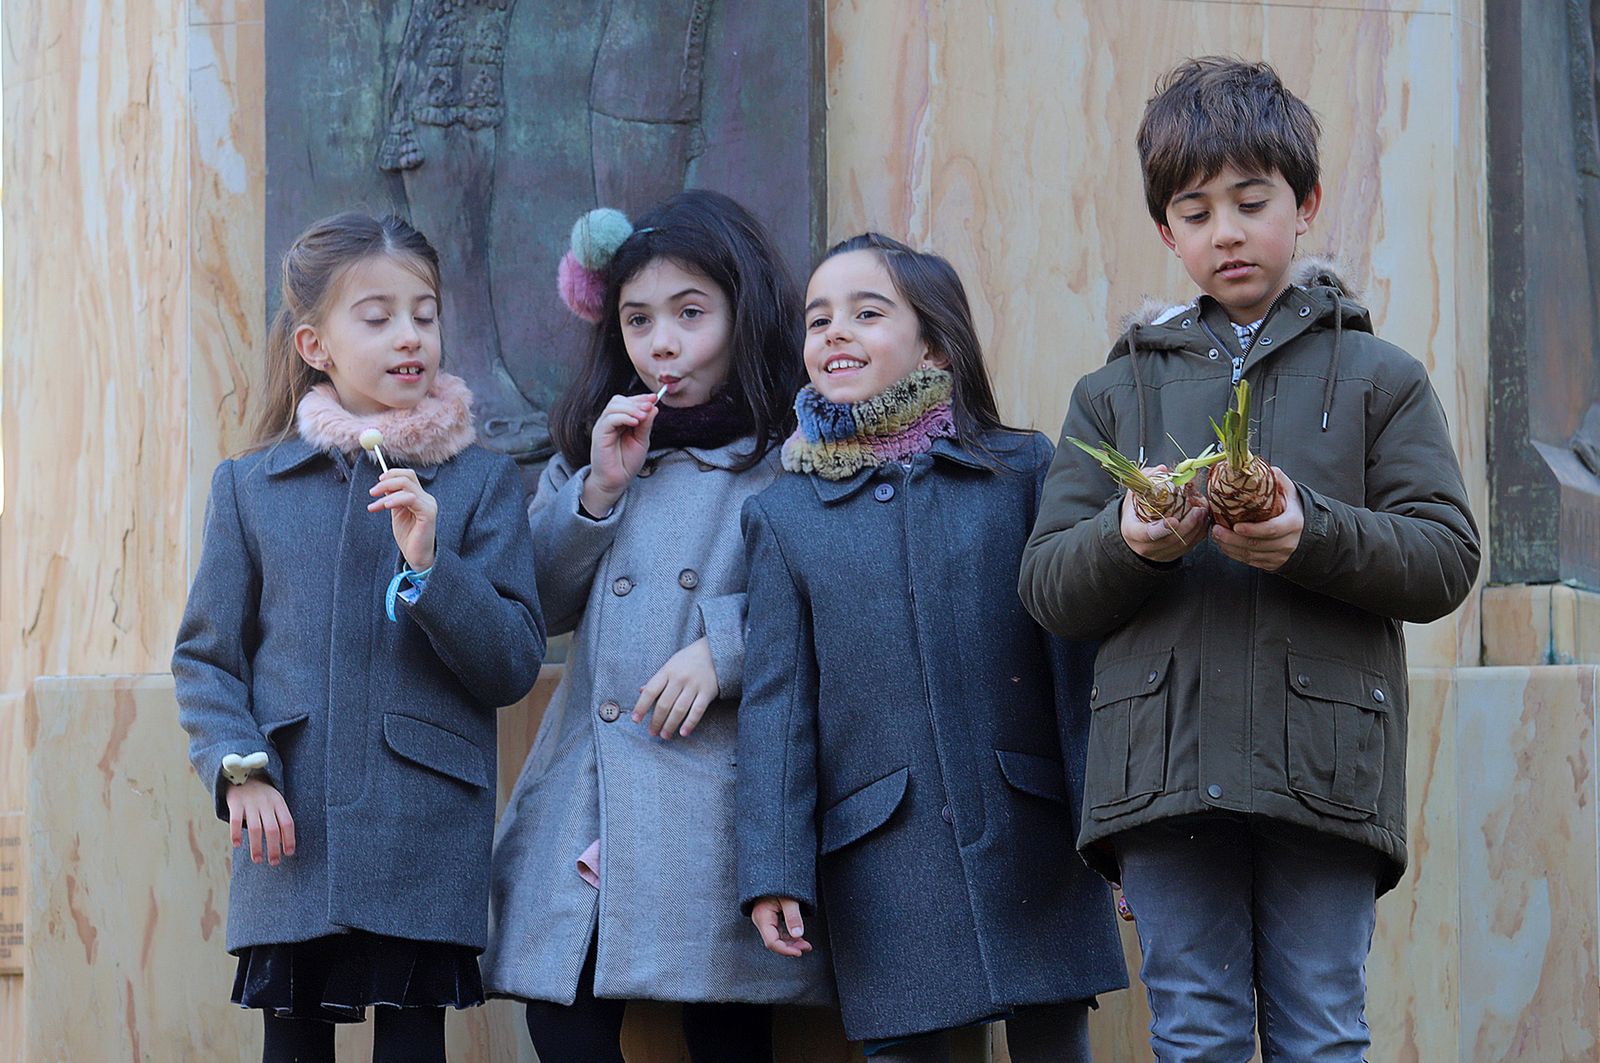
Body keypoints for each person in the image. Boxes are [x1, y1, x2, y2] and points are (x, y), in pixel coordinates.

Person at [1018, 57, 1480, 1061]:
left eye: (1250, 201)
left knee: (1321, 1030)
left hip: (1324, 766)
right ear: (1163, 231)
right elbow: (1048, 584)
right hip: (1162, 775)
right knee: (1193, 1030)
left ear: (1304, 204)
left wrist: (1309, 529)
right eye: (1193, 211)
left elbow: (1445, 556)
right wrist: (1130, 542)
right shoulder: (1111, 393)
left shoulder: (1378, 377)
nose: (1224, 232)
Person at [738, 233, 1126, 1063]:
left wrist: (1113, 825)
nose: (834, 332)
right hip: (884, 853)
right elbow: (777, 708)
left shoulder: (1019, 470)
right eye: (818, 319)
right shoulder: (785, 517)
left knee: (1054, 1040)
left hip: (1033, 830)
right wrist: (773, 865)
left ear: (937, 343)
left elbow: (1073, 666)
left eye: (867, 312)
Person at [173, 211, 546, 1063]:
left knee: (412, 1045)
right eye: (376, 317)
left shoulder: (483, 482)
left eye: (424, 312)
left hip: (422, 824)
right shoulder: (251, 487)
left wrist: (431, 564)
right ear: (316, 344)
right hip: (289, 823)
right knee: (293, 1046)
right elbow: (206, 658)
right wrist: (240, 771)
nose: (409, 335)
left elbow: (513, 661)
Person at [483, 190, 831, 1063]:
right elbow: (538, 602)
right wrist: (597, 489)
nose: (662, 342)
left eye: (689, 313)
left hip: (714, 790)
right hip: (592, 792)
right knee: (560, 1011)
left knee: (724, 1020)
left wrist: (725, 647)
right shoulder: (594, 448)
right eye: (638, 319)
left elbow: (836, 598)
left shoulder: (795, 453)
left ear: (742, 314)